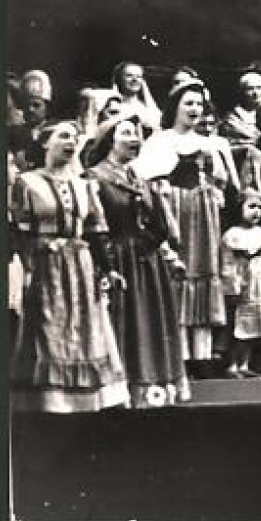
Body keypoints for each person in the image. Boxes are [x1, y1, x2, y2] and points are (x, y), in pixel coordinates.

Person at [11, 121, 129, 413]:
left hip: (80, 264)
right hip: (44, 263)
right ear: (44, 142)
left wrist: (108, 268)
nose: (71, 142)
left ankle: (85, 399)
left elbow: (96, 230)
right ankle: (51, 401)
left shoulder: (85, 183)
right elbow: (20, 232)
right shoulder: (27, 183)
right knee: (48, 326)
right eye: (63, 136)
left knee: (85, 326)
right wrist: (25, 269)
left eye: (75, 138)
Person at [133, 77, 240, 372]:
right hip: (173, 210)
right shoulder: (160, 140)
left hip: (202, 213)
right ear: (175, 107)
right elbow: (146, 179)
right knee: (176, 274)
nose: (194, 109)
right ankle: (173, 351)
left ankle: (199, 355)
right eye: (188, 103)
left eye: (199, 104)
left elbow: (223, 180)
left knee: (203, 272)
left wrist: (211, 188)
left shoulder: (207, 143)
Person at [88, 113, 190, 406]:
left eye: (137, 134)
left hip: (147, 259)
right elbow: (96, 226)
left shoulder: (140, 178)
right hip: (118, 258)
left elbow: (158, 222)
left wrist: (160, 246)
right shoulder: (95, 177)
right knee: (125, 322)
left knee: (152, 321)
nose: (135, 139)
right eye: (127, 133)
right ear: (110, 140)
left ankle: (156, 389)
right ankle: (126, 393)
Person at [220, 189, 261, 379]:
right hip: (242, 285)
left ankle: (244, 363)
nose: (257, 212)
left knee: (255, 325)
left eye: (260, 208)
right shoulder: (232, 235)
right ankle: (232, 364)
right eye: (251, 207)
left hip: (259, 286)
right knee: (239, 325)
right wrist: (232, 285)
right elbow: (228, 263)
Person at [221, 69, 261, 150]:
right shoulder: (233, 118)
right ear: (242, 91)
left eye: (259, 88)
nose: (255, 93)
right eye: (250, 89)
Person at [110, 62, 162, 135]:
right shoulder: (112, 106)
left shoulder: (147, 107)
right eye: (129, 76)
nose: (135, 79)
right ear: (120, 79)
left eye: (138, 76)